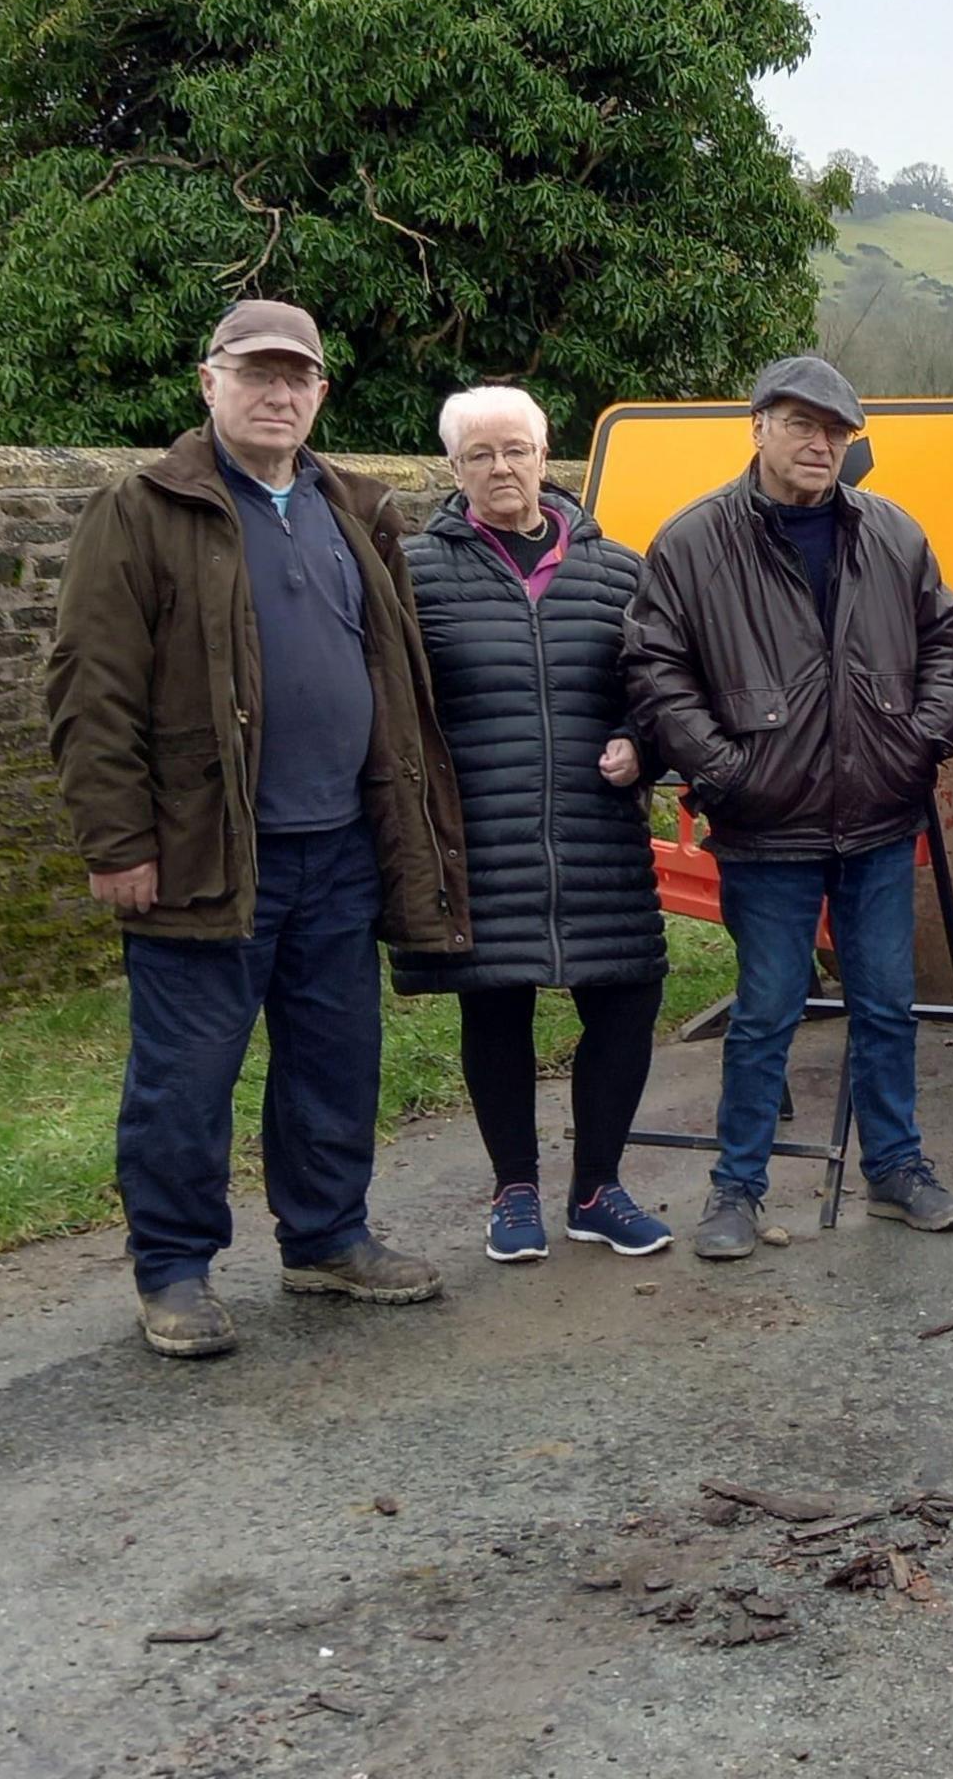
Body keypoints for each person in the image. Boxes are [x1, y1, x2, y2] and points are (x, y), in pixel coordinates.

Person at [42, 299, 468, 1359]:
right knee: (185, 1078)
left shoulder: (352, 509)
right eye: (256, 374)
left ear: (321, 393)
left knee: (335, 1060)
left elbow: (393, 677)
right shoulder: (141, 510)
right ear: (208, 383)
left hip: (340, 848)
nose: (278, 394)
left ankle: (325, 1239)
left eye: (297, 378)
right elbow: (90, 691)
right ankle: (175, 1271)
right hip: (205, 852)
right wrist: (115, 843)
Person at [621, 356, 953, 1262]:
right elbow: (658, 671)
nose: (820, 445)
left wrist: (916, 742)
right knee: (769, 1008)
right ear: (759, 428)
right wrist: (727, 770)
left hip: (879, 816)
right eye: (801, 425)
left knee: (889, 1005)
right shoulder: (694, 541)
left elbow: (945, 640)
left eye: (836, 432)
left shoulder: (891, 532)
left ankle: (896, 1172)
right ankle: (735, 1191)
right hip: (765, 826)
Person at [391, 384, 674, 1265]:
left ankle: (597, 1189)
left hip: (596, 831)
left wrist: (639, 742)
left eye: (516, 449)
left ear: (547, 458)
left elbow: (658, 694)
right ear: (454, 468)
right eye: (480, 455)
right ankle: (514, 1189)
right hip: (479, 833)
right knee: (495, 1005)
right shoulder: (413, 571)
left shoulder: (618, 570)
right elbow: (397, 705)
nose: (501, 468)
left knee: (629, 995)